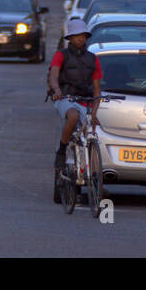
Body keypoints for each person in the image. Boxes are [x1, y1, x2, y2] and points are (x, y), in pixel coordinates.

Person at [49, 18, 101, 176]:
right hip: (66, 98)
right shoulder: (61, 55)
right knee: (73, 116)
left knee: (91, 134)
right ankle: (62, 150)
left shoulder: (93, 59)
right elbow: (53, 75)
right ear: (70, 38)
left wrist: (94, 112)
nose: (80, 38)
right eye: (77, 35)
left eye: (83, 35)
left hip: (85, 100)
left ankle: (92, 178)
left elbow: (97, 88)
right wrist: (57, 90)